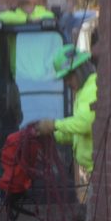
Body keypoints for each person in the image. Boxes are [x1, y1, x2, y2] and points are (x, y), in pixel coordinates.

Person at [34, 44, 96, 172]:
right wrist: (53, 134)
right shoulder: (82, 92)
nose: (67, 83)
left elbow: (85, 124)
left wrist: (54, 125)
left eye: (68, 77)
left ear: (78, 70)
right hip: (94, 171)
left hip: (97, 169)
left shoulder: (92, 88)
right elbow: (77, 133)